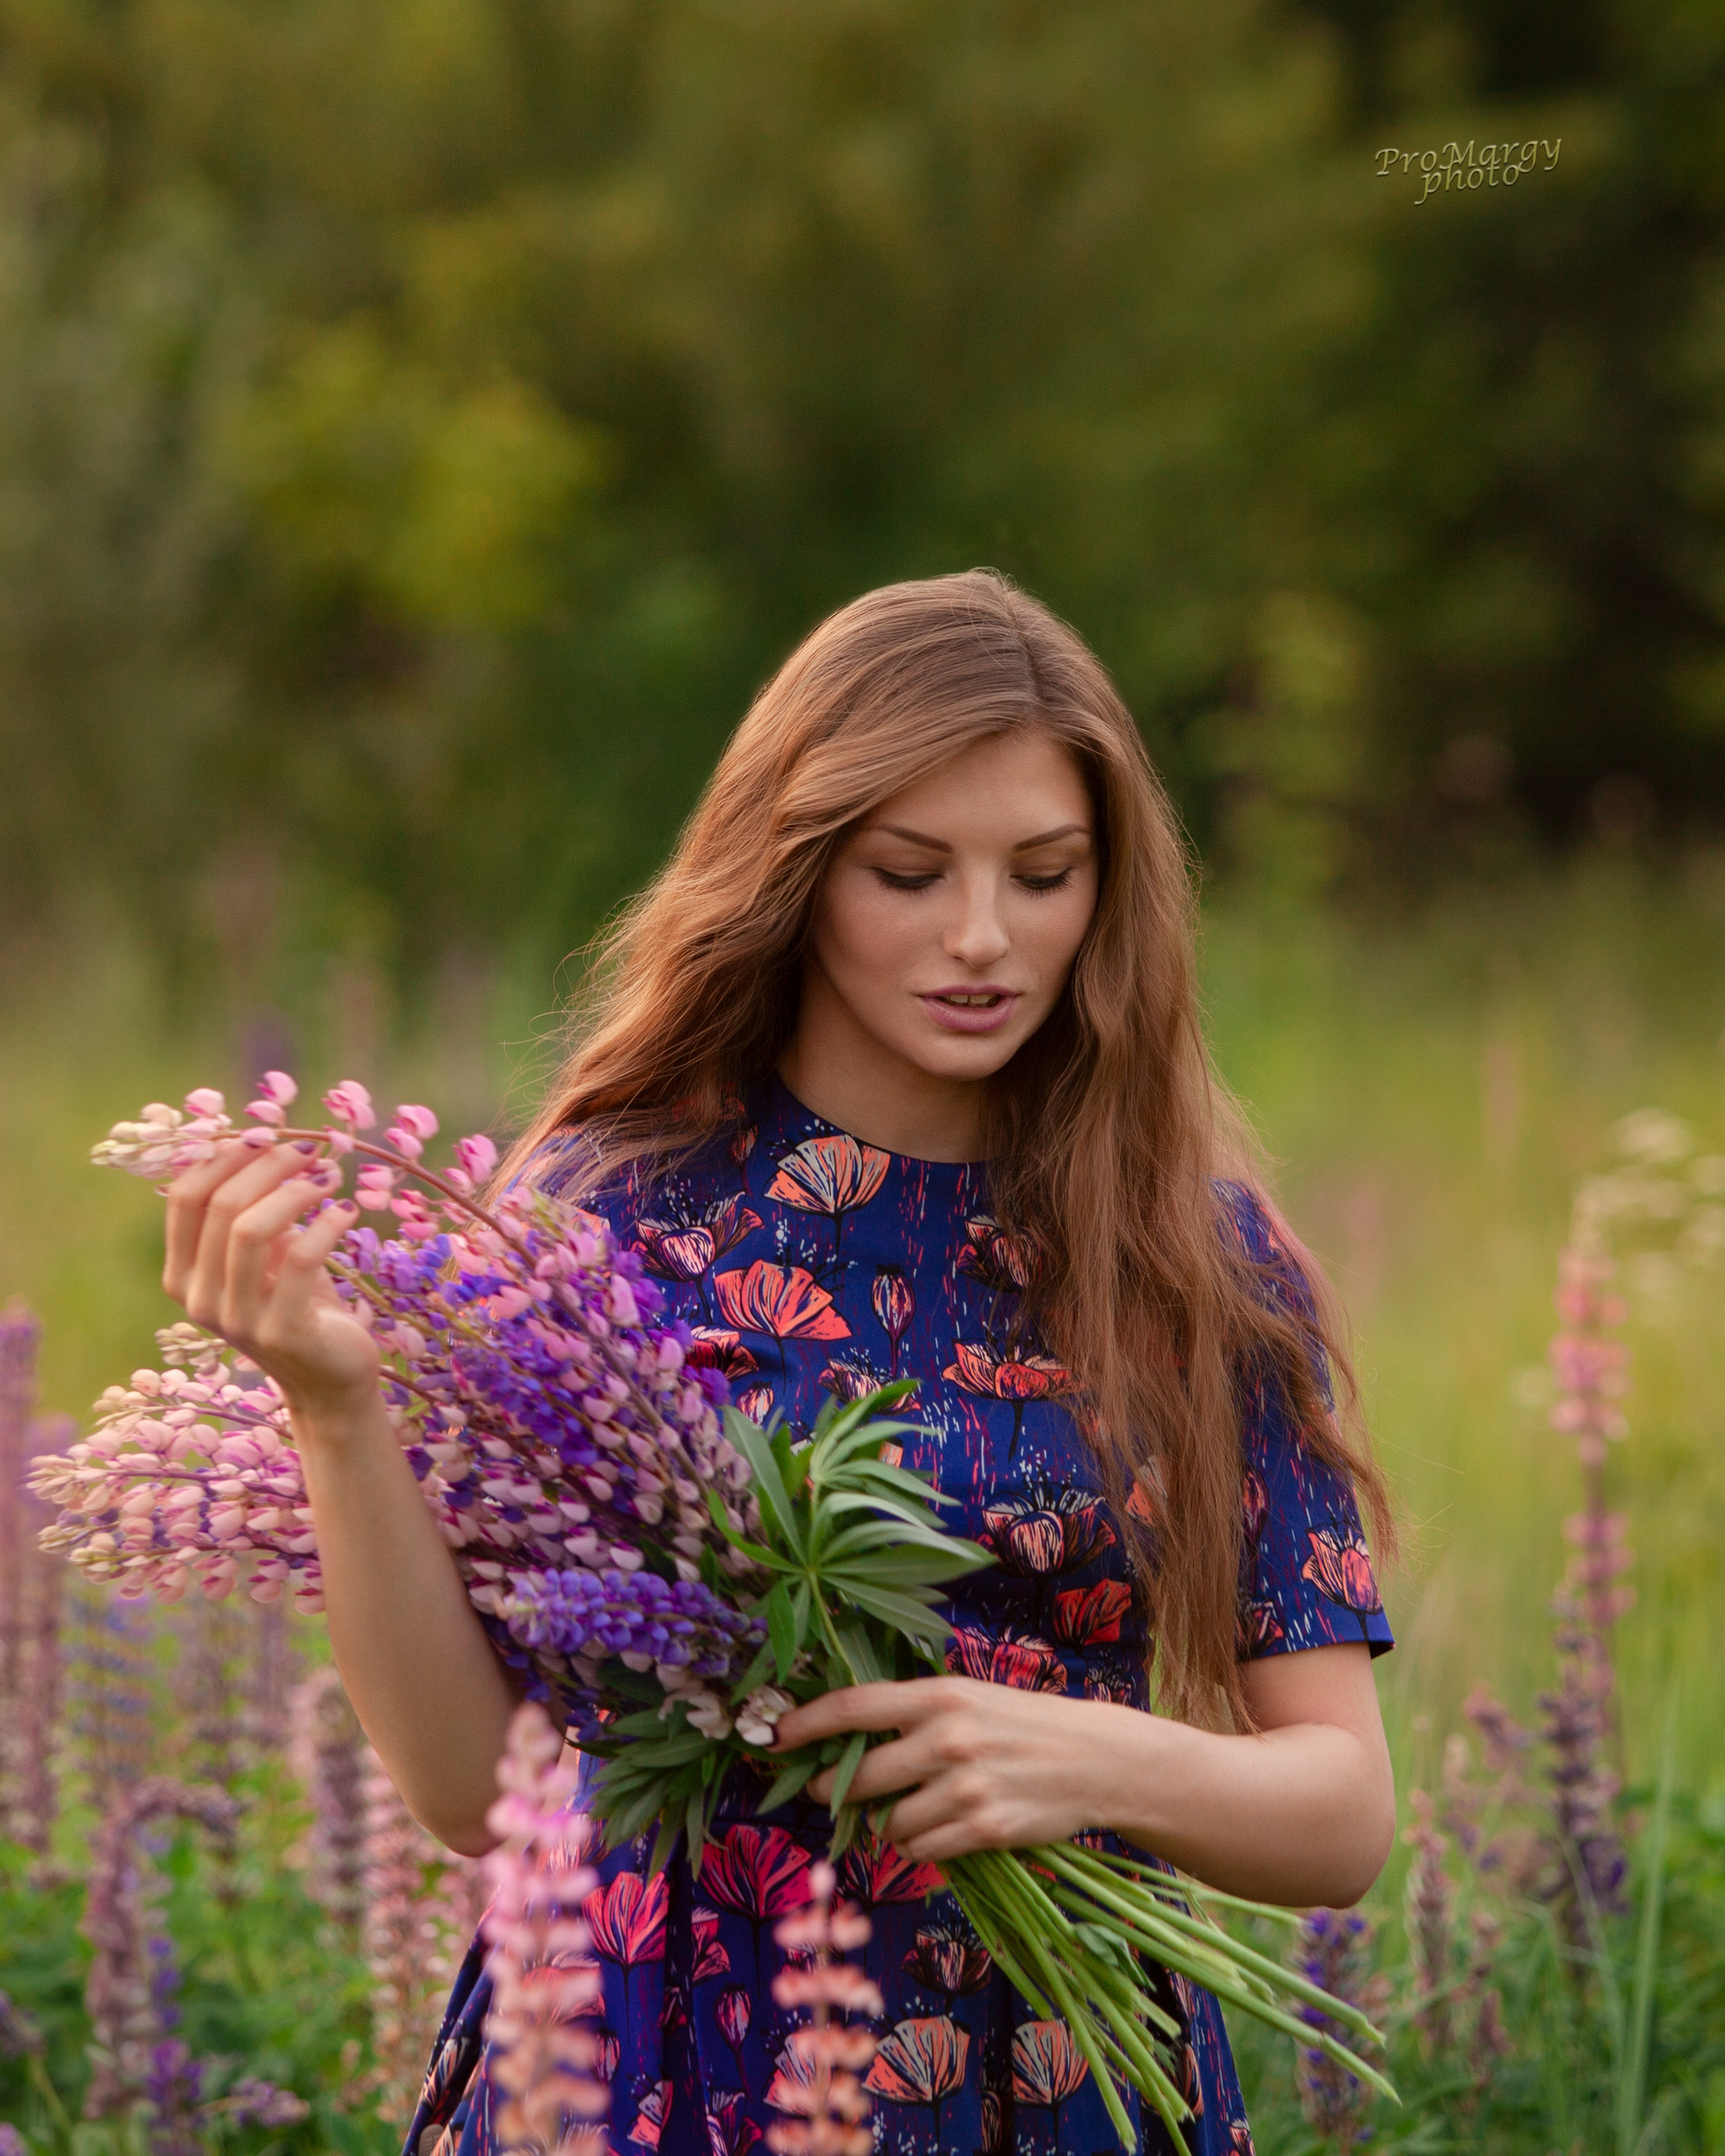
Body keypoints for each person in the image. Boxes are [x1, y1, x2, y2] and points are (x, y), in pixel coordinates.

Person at [160, 570, 1397, 2156]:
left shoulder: (1188, 1260)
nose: (981, 936)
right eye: (907, 871)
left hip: (1058, 2073)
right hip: (656, 2047)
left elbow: (1341, 1816)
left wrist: (1083, 1757)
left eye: (1044, 875)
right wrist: (336, 1409)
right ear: (799, 873)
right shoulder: (601, 1226)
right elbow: (481, 1794)